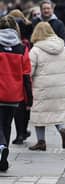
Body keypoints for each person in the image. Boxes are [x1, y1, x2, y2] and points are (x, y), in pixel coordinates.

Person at [28, 22, 65, 151]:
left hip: (42, 87)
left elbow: (29, 70)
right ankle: (63, 129)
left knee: (39, 114)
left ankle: (41, 142)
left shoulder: (35, 50)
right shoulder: (62, 47)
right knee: (56, 112)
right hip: (59, 85)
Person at [0, 15, 32, 171]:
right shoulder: (22, 48)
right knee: (6, 124)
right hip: (14, 95)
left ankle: (1, 146)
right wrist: (29, 100)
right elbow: (27, 76)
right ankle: (2, 157)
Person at [8, 9, 33, 144]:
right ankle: (22, 131)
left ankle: (18, 135)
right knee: (23, 106)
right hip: (23, 76)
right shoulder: (25, 43)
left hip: (6, 81)